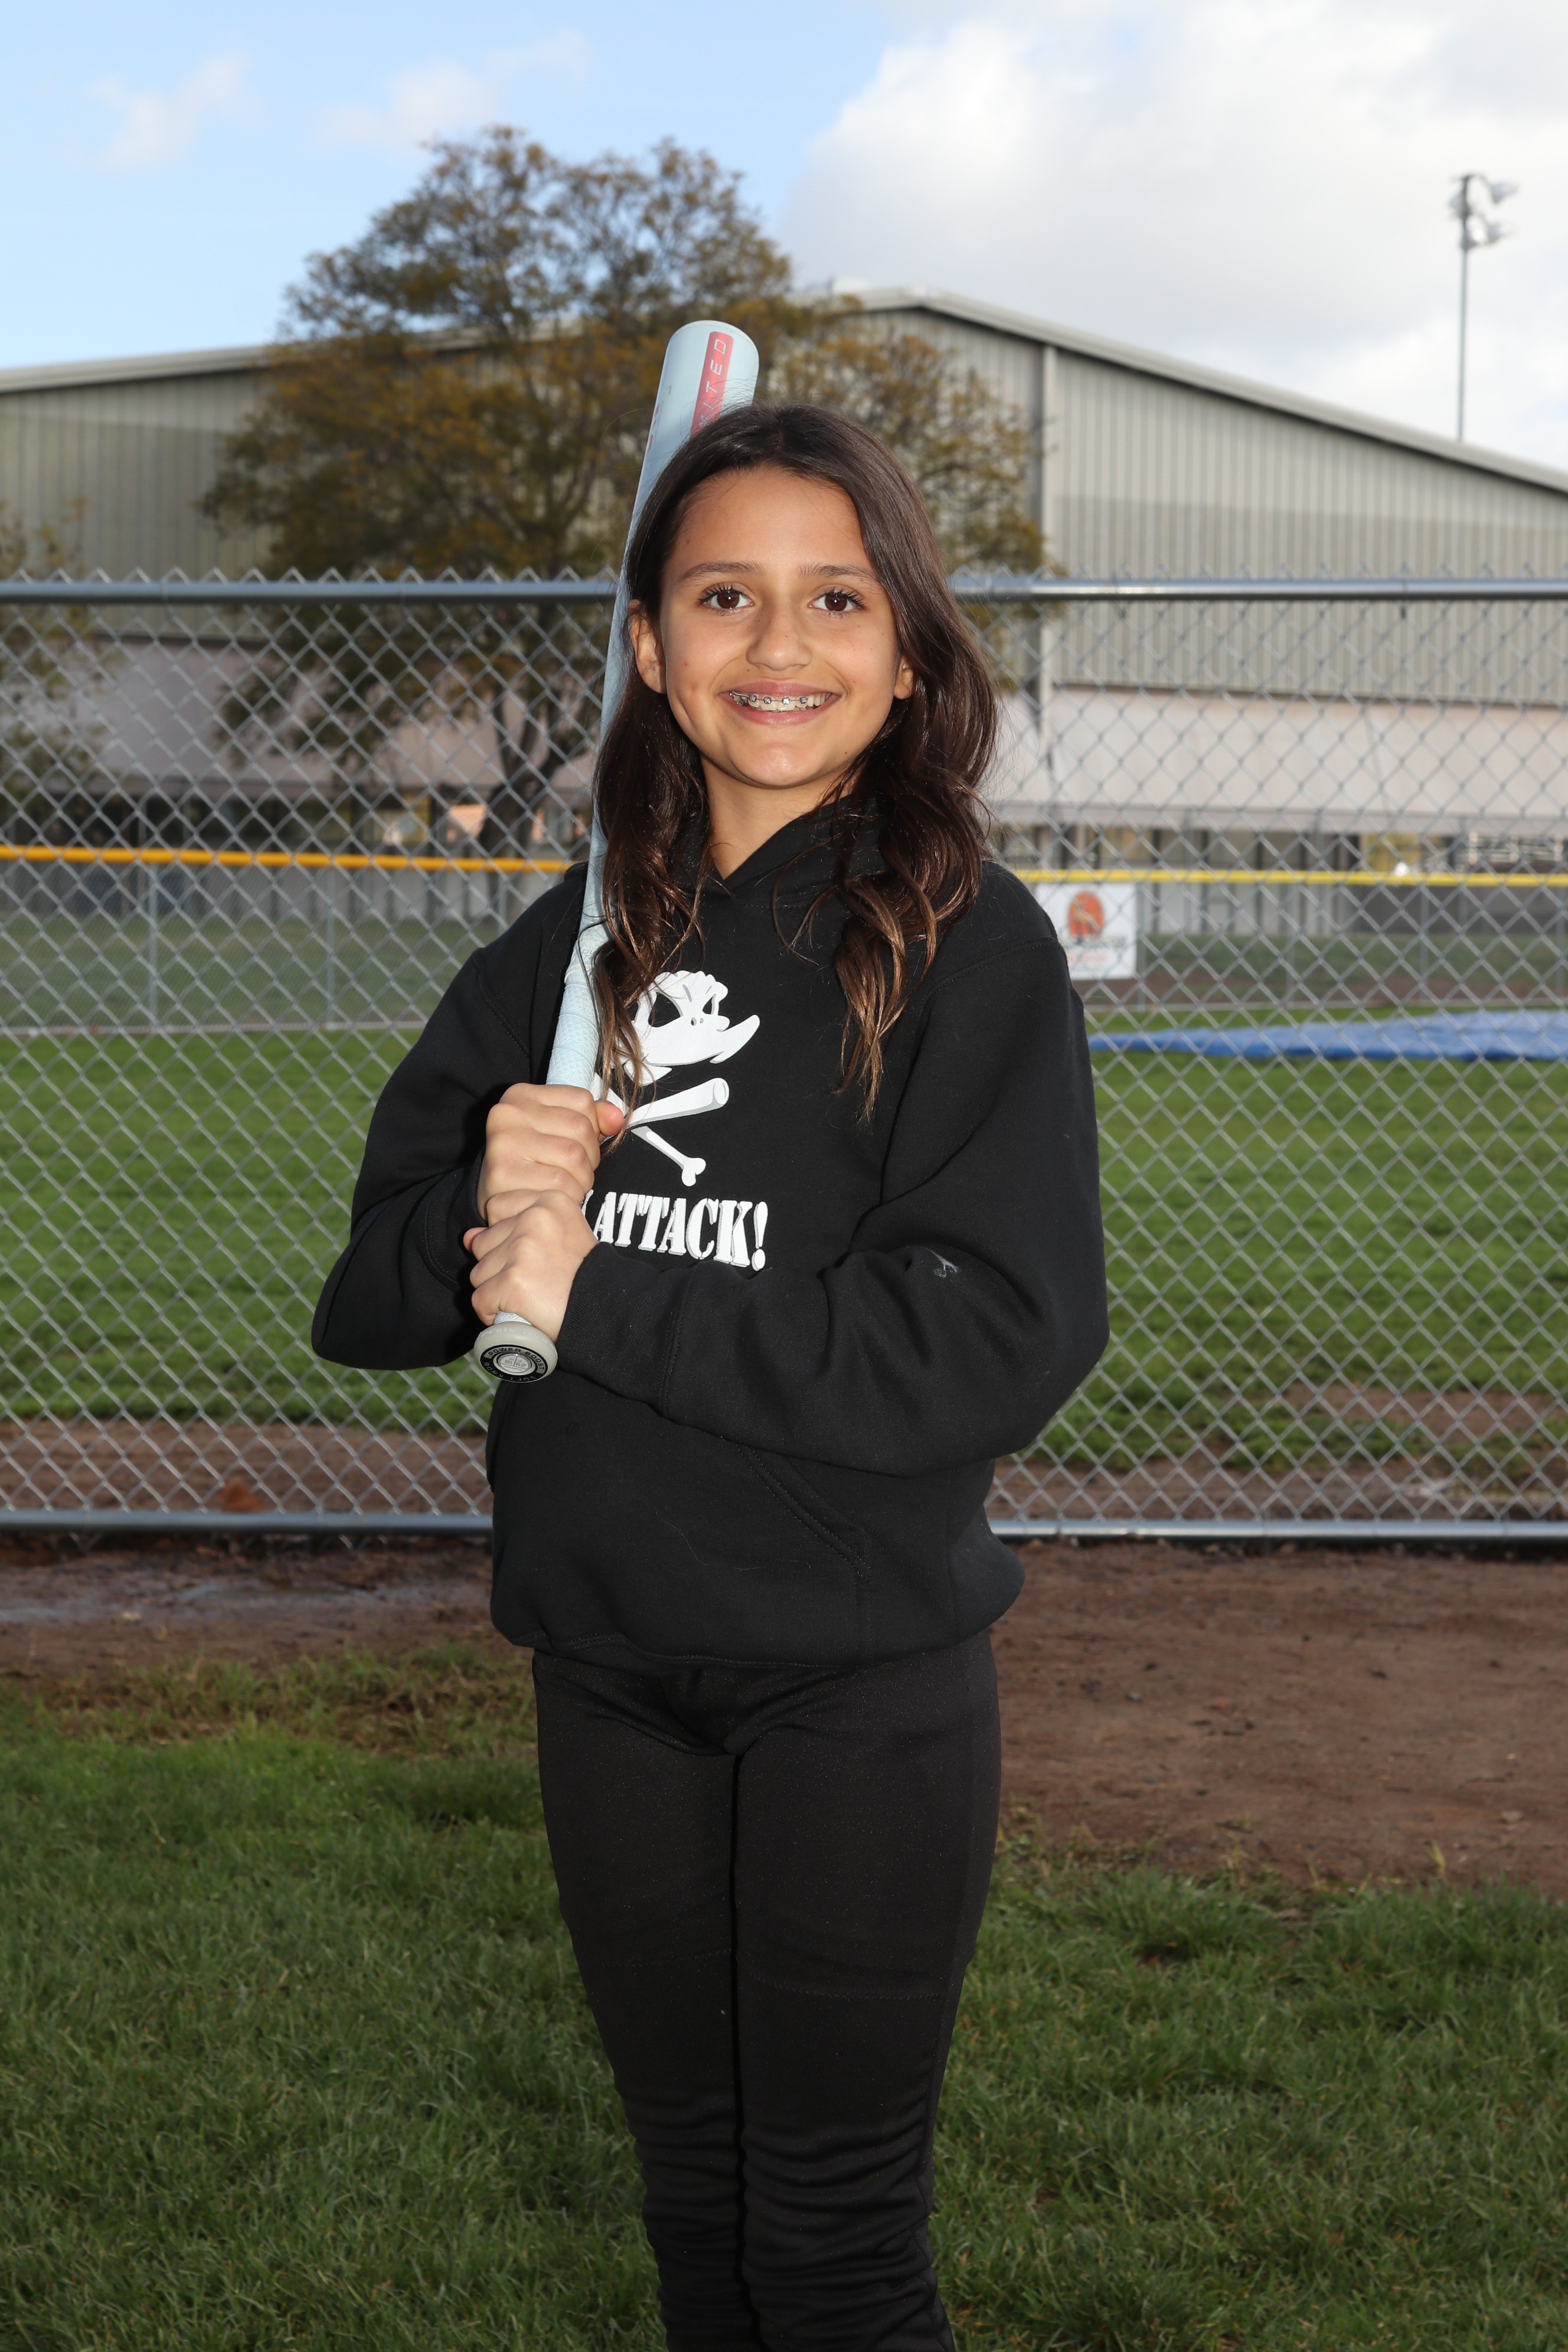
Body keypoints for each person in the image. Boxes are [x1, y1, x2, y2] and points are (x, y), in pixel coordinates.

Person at [313, 404, 1108, 2352]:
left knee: (829, 2242)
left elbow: (989, 1342)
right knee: (695, 2206)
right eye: (724, 595)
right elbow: (372, 1300)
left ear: (906, 653)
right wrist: (483, 1205)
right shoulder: (571, 947)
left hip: (854, 1682)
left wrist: (599, 1292)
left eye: (837, 599)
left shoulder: (966, 948)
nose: (779, 643)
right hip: (609, 1667)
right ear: (651, 649)